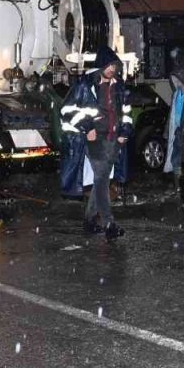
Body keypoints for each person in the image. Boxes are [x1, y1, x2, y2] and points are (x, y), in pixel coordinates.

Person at [59, 46, 132, 240]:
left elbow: (126, 112)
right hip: (93, 140)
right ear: (101, 66)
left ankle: (90, 221)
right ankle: (108, 223)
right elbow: (66, 110)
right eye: (109, 66)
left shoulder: (119, 86)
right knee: (101, 176)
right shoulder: (85, 85)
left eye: (115, 66)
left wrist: (124, 131)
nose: (112, 69)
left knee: (102, 180)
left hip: (113, 139)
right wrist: (87, 127)